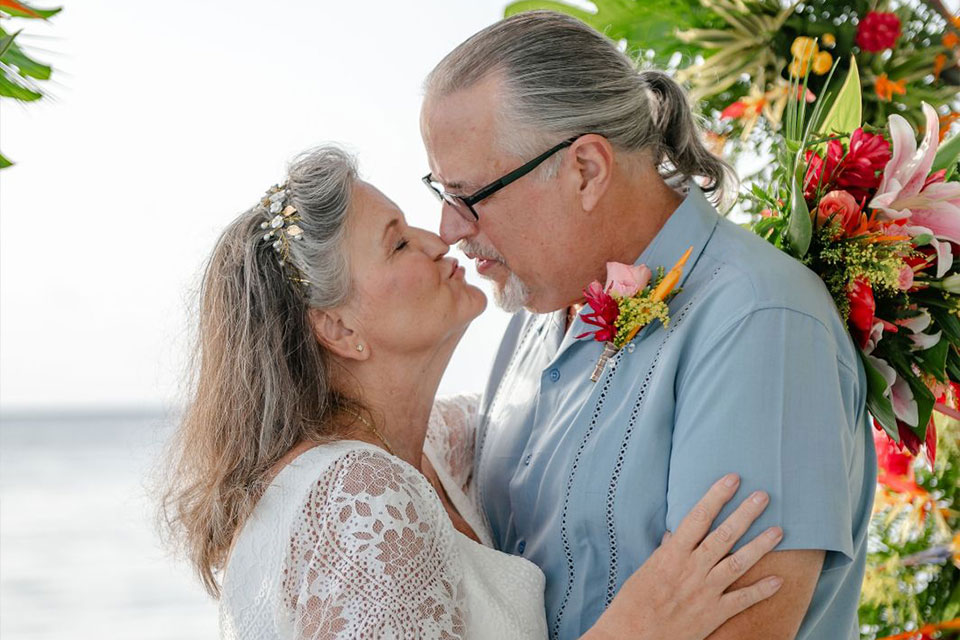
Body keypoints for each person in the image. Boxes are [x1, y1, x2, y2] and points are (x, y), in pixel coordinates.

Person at [161, 145, 785, 639]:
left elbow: (558, 421)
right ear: (339, 327)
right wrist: (638, 629)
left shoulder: (436, 447)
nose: (442, 241)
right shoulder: (355, 496)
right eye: (399, 242)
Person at [419, 10, 876, 640]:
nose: (449, 229)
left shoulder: (758, 321)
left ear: (586, 169)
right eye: (438, 191)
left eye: (468, 195)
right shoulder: (534, 323)